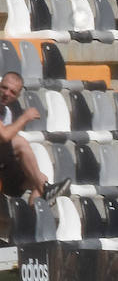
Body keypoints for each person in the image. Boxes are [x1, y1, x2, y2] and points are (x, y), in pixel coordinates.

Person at [0, 72, 68, 204]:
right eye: (4, 88)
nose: (6, 93)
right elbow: (4, 136)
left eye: (12, 92)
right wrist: (25, 117)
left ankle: (32, 220)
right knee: (20, 142)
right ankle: (46, 188)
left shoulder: (9, 110)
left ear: (18, 96)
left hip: (4, 165)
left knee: (39, 180)